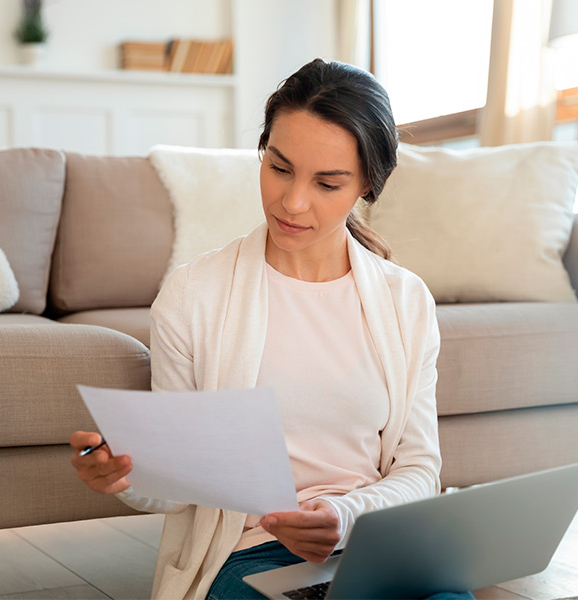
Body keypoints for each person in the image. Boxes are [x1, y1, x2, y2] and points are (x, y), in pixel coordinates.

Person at [70, 58, 474, 600]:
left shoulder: (405, 302)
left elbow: (420, 470)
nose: (292, 202)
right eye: (279, 168)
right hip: (249, 553)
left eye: (327, 183)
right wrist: (125, 476)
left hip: (375, 541)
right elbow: (178, 486)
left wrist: (341, 513)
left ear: (368, 185)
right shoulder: (194, 296)